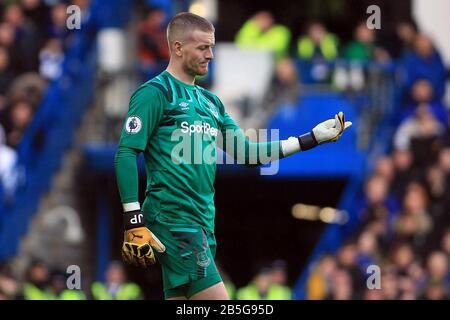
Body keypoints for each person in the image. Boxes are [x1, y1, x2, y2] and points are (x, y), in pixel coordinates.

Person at [115, 12, 352, 300]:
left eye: (212, 47)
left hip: (202, 222)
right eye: (203, 47)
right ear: (177, 48)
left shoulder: (211, 102)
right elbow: (127, 152)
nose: (211, 55)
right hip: (173, 219)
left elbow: (249, 154)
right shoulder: (155, 93)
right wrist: (133, 217)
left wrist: (309, 139)